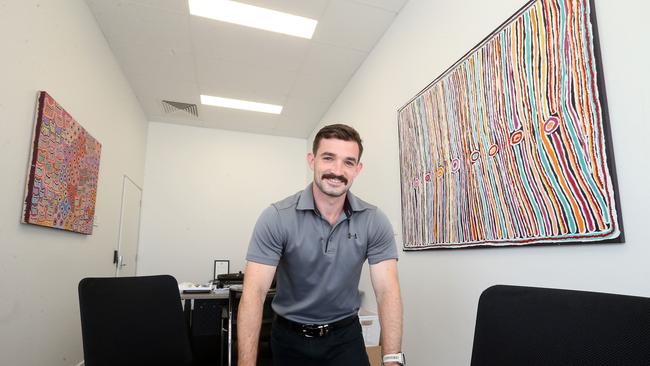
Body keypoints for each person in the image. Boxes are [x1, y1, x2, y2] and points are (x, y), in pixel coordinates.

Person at [237, 123, 404, 366]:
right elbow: (254, 294)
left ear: (357, 169)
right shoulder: (276, 217)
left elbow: (387, 292)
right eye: (328, 158)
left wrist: (392, 360)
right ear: (312, 160)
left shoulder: (374, 221)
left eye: (348, 162)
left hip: (345, 338)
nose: (337, 170)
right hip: (290, 339)